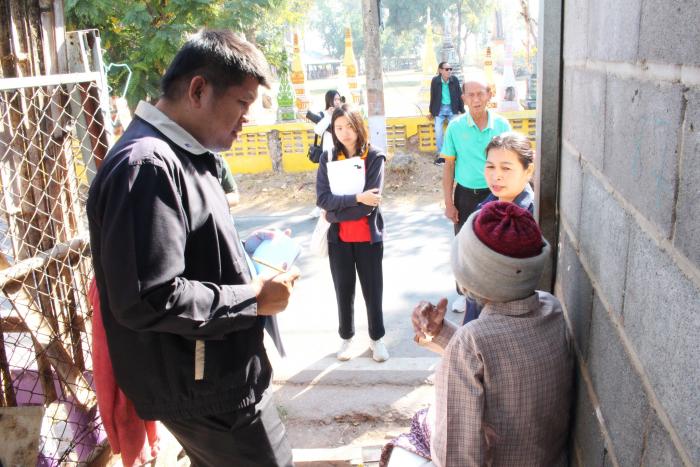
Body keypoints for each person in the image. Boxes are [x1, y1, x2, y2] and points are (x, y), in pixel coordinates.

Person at [87, 30, 300, 467]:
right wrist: (253, 299)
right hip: (205, 388)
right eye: (242, 103)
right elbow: (150, 297)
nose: (247, 118)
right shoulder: (146, 164)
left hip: (211, 377)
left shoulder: (184, 154)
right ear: (199, 89)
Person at [381, 202, 573, 467]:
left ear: (469, 271)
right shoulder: (551, 307)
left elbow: (457, 457)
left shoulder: (472, 341)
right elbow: (502, 358)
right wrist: (441, 332)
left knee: (401, 452)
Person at [315, 103, 389, 363]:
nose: (344, 133)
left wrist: (334, 212)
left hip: (369, 239)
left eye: (348, 126)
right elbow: (323, 199)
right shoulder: (328, 158)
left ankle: (377, 339)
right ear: (333, 131)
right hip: (339, 240)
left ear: (359, 127)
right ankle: (346, 338)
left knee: (373, 291)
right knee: (343, 290)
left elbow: (370, 205)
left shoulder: (375, 156)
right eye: (338, 128)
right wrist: (356, 198)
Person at [441, 75, 511, 313]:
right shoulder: (456, 127)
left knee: (496, 243)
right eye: (470, 94)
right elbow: (449, 166)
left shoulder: (502, 125)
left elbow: (511, 161)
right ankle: (464, 292)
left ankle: (494, 293)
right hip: (465, 195)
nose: (476, 99)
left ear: (489, 95)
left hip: (496, 194)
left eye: (480, 93)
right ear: (463, 99)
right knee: (464, 246)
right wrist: (449, 203)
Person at [463, 131, 535, 324]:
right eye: (490, 167)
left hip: (505, 324)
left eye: (506, 168)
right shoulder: (485, 207)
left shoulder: (528, 221)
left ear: (528, 171)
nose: (496, 176)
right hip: (477, 316)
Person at [310, 90, 343, 217]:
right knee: (324, 182)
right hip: (327, 154)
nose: (337, 102)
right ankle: (320, 207)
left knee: (339, 180)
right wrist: (328, 116)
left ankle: (338, 205)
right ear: (329, 100)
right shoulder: (323, 114)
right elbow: (318, 131)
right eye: (335, 99)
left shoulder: (341, 113)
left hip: (341, 152)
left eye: (339, 99)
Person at [429, 62, 464, 165]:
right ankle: (441, 155)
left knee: (454, 131)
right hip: (439, 110)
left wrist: (461, 110)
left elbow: (459, 94)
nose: (449, 71)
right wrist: (431, 112)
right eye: (446, 69)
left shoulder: (454, 80)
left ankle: (455, 153)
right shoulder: (435, 81)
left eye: (450, 69)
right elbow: (433, 96)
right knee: (438, 131)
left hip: (452, 109)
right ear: (440, 70)